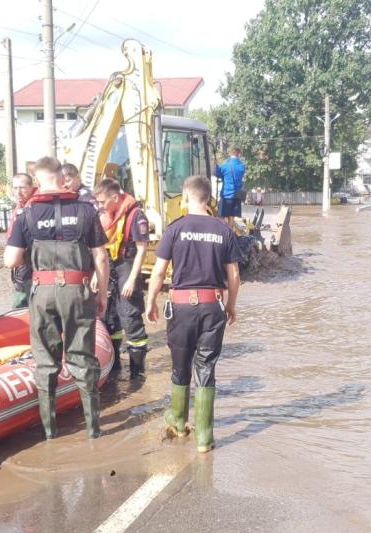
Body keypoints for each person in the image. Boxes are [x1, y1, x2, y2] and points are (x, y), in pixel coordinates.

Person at [4, 156, 109, 439]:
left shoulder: (26, 214)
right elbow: (100, 256)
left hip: (43, 291)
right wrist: (102, 294)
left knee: (46, 361)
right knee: (82, 357)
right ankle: (93, 431)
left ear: (37, 180)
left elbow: (11, 259)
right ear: (62, 177)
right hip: (78, 290)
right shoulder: (86, 210)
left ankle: (50, 433)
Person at [146, 175, 241, 453]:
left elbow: (160, 271)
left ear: (185, 198)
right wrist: (232, 304)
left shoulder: (175, 229)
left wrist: (151, 300)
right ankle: (204, 438)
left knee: (180, 364)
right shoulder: (223, 230)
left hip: (181, 307)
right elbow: (233, 274)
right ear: (209, 199)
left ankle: (177, 421)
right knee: (206, 367)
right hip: (214, 306)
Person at [94, 178, 150, 378]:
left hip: (127, 266)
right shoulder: (107, 217)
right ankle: (115, 366)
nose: (100, 206)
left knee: (130, 317)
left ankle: (137, 373)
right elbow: (100, 249)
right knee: (109, 318)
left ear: (115, 197)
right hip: (110, 268)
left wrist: (132, 279)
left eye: (102, 201)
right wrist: (96, 274)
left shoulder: (136, 216)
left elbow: (142, 250)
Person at [8, 173, 36, 308]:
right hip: (20, 260)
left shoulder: (35, 206)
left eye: (22, 188)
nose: (18, 192)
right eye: (15, 188)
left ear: (32, 187)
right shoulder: (21, 205)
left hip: (30, 260)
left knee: (23, 298)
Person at [214, 147, 246, 227]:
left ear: (230, 153)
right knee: (231, 217)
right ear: (238, 154)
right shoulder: (242, 166)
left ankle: (223, 234)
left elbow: (218, 174)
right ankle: (230, 234)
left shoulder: (225, 165)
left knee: (222, 216)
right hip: (237, 196)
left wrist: (216, 165)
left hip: (226, 195)